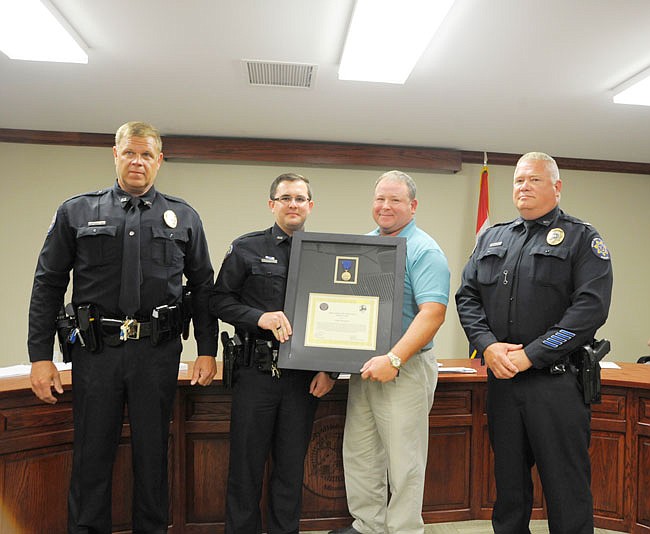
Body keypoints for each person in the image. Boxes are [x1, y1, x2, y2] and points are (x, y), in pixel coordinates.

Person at [28, 121, 218, 534]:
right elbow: (48, 283)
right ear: (115, 154)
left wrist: (207, 348)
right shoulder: (76, 211)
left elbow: (203, 286)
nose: (138, 161)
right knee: (91, 455)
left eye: (147, 154)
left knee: (153, 456)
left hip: (157, 351)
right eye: (130, 152)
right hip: (97, 352)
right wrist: (39, 357)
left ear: (159, 161)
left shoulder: (184, 216)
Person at [455, 152, 613, 533]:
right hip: (503, 381)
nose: (524, 186)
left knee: (565, 488)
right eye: (519, 180)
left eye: (535, 180)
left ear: (557, 188)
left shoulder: (582, 238)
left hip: (556, 383)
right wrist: (488, 346)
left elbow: (589, 310)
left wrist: (532, 355)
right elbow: (467, 296)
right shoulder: (493, 238)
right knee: (509, 488)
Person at [211, 172, 336, 534]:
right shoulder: (246, 248)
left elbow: (339, 313)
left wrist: (331, 371)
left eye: (299, 198)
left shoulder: (326, 253)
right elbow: (218, 300)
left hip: (303, 379)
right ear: (272, 205)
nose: (293, 204)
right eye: (285, 198)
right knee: (245, 469)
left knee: (290, 470)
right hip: (255, 373)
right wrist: (259, 317)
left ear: (310, 206)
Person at [331, 170, 450, 534]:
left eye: (395, 199)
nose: (385, 206)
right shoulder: (364, 245)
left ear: (412, 206)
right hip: (364, 366)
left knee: (404, 462)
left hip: (404, 368)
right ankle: (368, 526)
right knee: (360, 453)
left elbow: (433, 313)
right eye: (380, 198)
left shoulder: (425, 250)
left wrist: (395, 358)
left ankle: (403, 530)